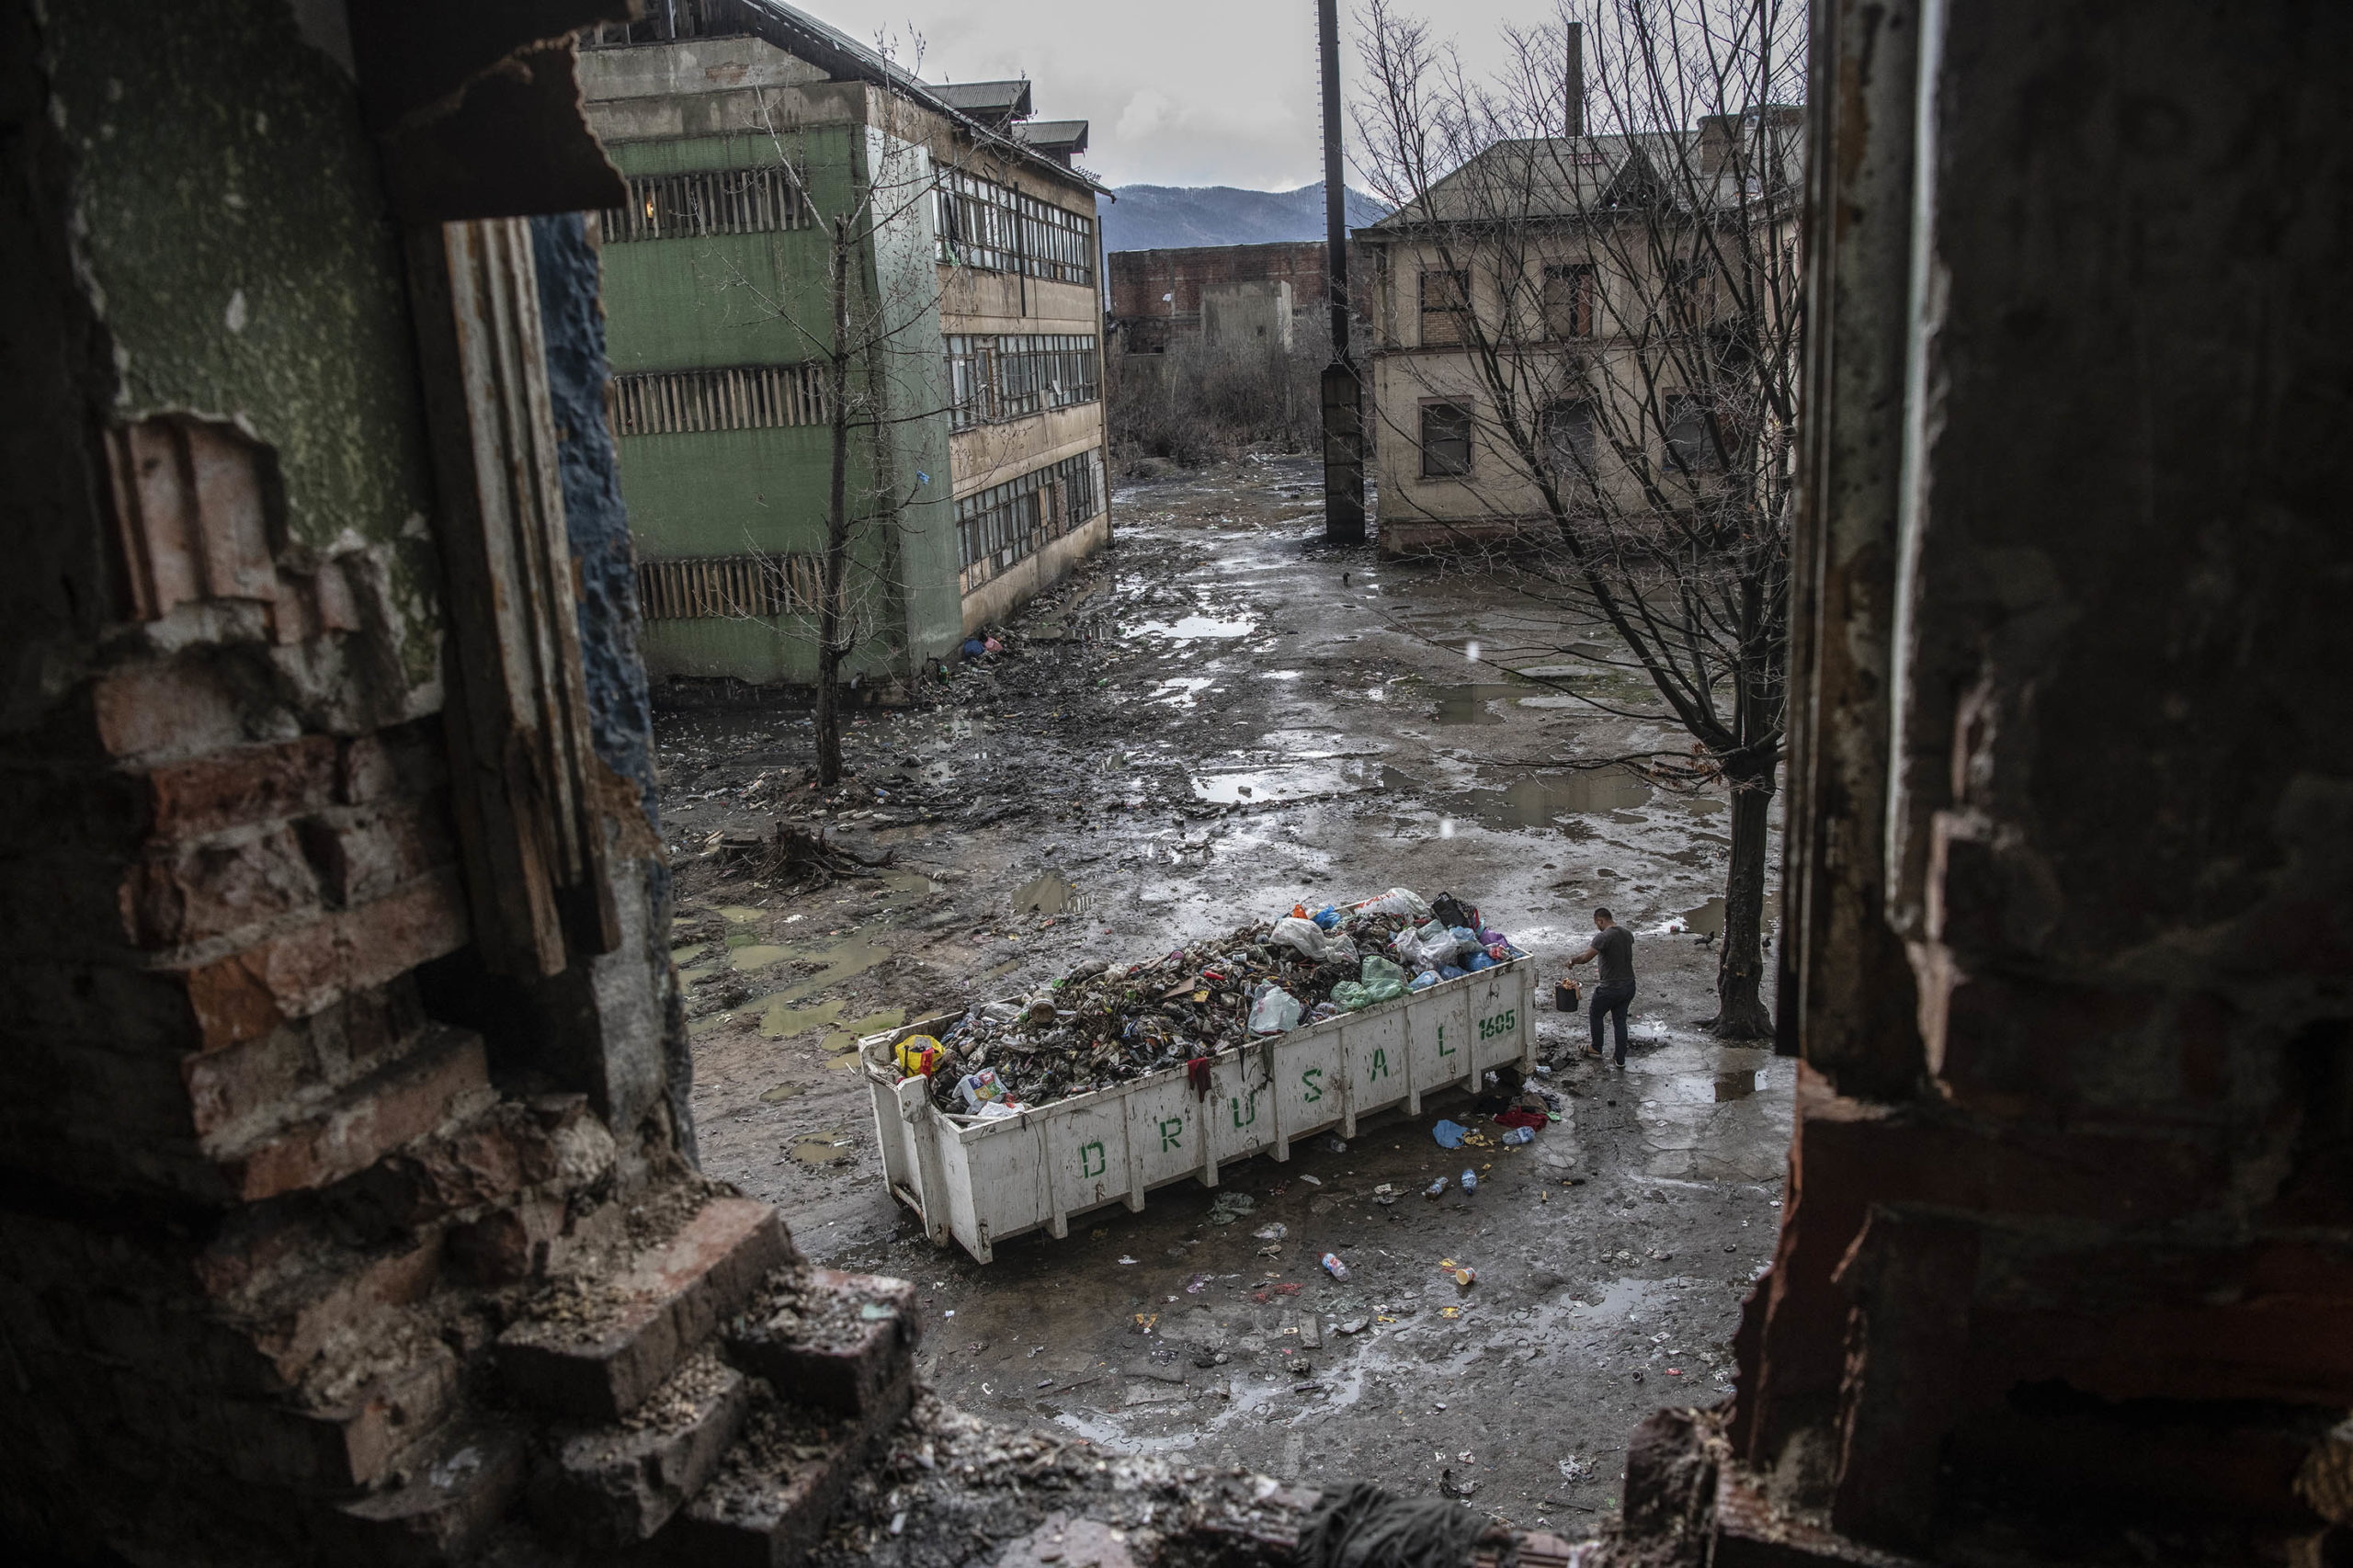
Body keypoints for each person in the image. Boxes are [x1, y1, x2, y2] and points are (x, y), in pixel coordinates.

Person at [1564, 906, 1636, 1065]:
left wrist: (1572, 961)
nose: (1597, 926)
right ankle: (1620, 1058)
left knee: (1596, 1013)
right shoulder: (1627, 933)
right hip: (1629, 985)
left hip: (1610, 987)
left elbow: (1585, 958)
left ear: (1600, 920)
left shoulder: (1603, 937)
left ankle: (1596, 1047)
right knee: (1620, 1021)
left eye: (1597, 923)